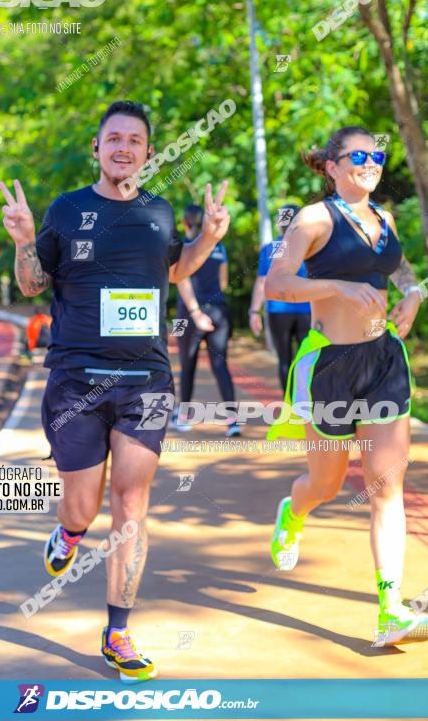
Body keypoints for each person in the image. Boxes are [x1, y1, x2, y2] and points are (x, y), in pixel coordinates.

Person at [0, 100, 230, 680]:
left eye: (135, 140)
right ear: (97, 150)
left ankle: (118, 630)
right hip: (77, 379)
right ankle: (70, 530)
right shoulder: (68, 209)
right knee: (84, 503)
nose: (124, 148)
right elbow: (33, 285)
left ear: (148, 153)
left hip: (146, 379)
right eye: (114, 139)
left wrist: (206, 236)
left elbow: (174, 271)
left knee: (131, 499)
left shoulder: (159, 212)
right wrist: (25, 238)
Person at [265, 125, 428, 646]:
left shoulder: (385, 218)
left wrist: (414, 293)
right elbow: (277, 283)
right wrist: (339, 285)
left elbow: (400, 268)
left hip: (384, 360)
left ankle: (390, 609)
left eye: (377, 155)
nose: (371, 162)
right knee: (326, 486)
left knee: (387, 487)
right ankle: (294, 511)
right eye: (359, 155)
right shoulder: (315, 219)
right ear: (332, 167)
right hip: (332, 367)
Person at [172, 204, 239, 436]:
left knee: (187, 365)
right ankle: (233, 422)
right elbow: (223, 282)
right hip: (218, 310)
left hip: (192, 313)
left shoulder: (181, 247)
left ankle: (183, 417)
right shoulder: (219, 247)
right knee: (220, 365)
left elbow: (181, 278)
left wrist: (195, 311)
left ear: (185, 222)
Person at [249, 205, 311, 390]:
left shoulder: (271, 248)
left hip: (278, 311)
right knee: (306, 359)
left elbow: (261, 282)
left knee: (284, 359)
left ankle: (289, 406)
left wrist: (254, 311)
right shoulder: (310, 247)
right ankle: (306, 404)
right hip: (306, 310)